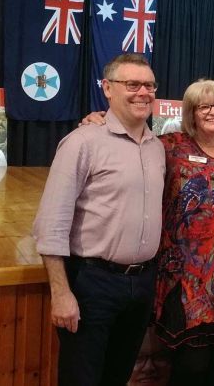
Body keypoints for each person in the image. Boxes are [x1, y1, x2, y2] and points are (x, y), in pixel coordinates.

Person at [83, 79, 214, 386]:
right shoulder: (169, 146)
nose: (212, 112)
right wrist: (98, 119)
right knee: (191, 366)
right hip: (183, 277)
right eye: (204, 106)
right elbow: (128, 140)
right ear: (191, 112)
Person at [33, 53, 166, 386]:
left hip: (142, 285)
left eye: (149, 85)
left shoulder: (157, 147)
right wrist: (61, 292)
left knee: (117, 378)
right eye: (132, 84)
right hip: (93, 284)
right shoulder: (83, 142)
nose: (143, 92)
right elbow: (51, 222)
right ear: (108, 88)